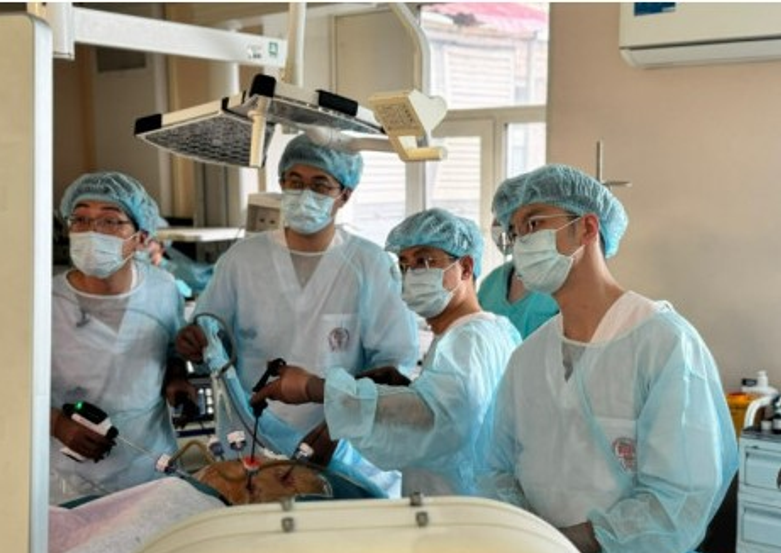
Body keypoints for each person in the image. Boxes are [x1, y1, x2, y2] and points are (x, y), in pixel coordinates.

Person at [479, 164, 739, 553]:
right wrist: (530, 538)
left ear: (587, 228)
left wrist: (570, 541)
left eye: (534, 222)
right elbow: (496, 467)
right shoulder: (529, 356)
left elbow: (678, 497)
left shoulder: (663, 344)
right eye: (514, 232)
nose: (522, 243)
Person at [175, 134, 419, 495]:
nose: (305, 194)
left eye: (320, 185)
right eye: (295, 182)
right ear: (281, 184)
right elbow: (210, 331)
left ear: (344, 194)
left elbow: (393, 366)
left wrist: (339, 428)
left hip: (338, 444)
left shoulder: (369, 265)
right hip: (252, 437)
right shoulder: (242, 260)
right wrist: (195, 342)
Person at [251, 208, 521, 496]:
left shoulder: (468, 339)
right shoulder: (491, 330)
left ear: (465, 267)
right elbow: (465, 411)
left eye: (424, 261)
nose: (411, 273)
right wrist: (406, 388)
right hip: (459, 503)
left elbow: (437, 420)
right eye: (404, 264)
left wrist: (314, 387)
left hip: (461, 507)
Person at [50, 171, 195, 504]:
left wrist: (177, 379)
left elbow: (170, 352)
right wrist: (57, 424)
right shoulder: (44, 300)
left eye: (110, 221)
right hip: (66, 478)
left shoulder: (162, 288)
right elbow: (8, 386)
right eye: (80, 219)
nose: (92, 231)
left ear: (141, 238)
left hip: (149, 467)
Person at [478, 219, 558, 338]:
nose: (499, 227)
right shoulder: (491, 282)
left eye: (508, 221)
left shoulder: (559, 279)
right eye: (497, 220)